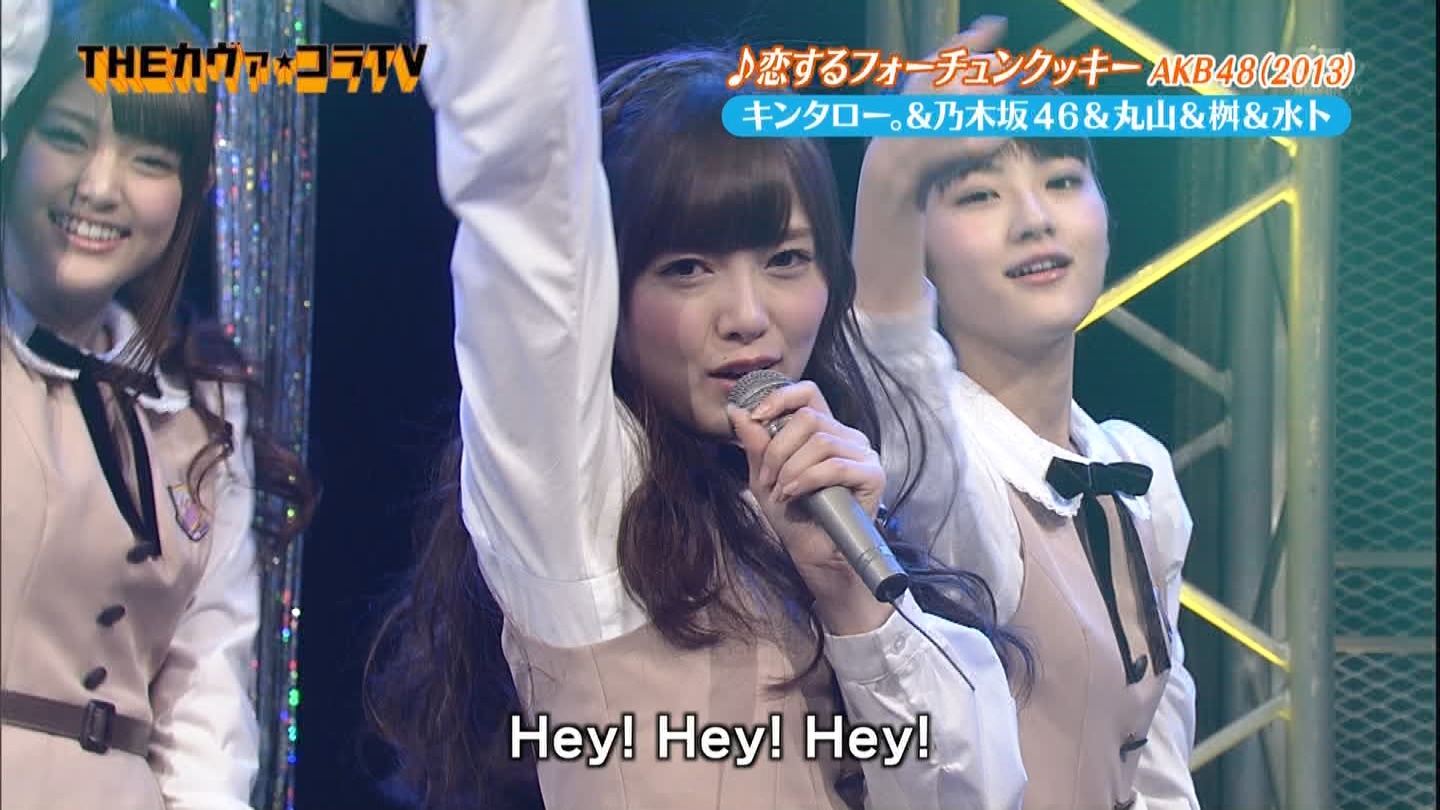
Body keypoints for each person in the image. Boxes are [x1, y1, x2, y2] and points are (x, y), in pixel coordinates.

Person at [365, 2, 1030, 809]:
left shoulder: (834, 506)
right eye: (686, 268)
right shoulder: (583, 504)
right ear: (608, 295)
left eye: (786, 259)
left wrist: (853, 600)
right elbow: (527, 186)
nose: (748, 314)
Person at [849, 22, 1201, 810]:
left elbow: (1157, 769)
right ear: (920, 252)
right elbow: (891, 357)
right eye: (980, 194)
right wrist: (889, 178)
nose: (1034, 218)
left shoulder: (1138, 473)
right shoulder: (940, 469)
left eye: (1064, 180)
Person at [0, 2, 317, 808]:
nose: (99, 188)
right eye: (67, 137)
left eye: (148, 160)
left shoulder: (202, 410)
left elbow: (206, 698)